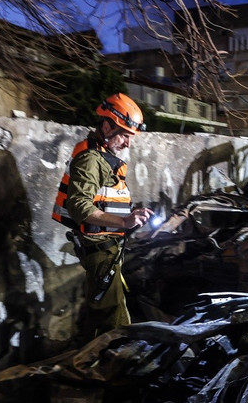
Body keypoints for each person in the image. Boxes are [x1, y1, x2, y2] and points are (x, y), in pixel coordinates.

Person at [52, 93, 154, 340]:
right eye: (125, 136)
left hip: (107, 250)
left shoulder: (102, 156)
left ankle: (89, 358)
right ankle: (109, 369)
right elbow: (79, 206)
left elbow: (103, 201)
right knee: (115, 323)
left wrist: (129, 215)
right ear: (106, 125)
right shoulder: (90, 159)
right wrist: (124, 222)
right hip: (100, 251)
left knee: (103, 311)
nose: (128, 144)